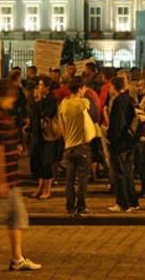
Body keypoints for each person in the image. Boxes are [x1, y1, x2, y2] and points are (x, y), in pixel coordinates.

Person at [0, 80, 41, 271]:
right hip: (3, 179)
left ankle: (17, 258)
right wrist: (1, 181)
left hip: (6, 178)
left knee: (17, 217)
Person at [58, 77, 94, 216]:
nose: (86, 91)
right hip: (82, 145)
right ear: (79, 89)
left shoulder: (64, 103)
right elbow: (90, 111)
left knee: (69, 179)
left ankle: (69, 207)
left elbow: (61, 124)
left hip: (69, 145)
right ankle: (81, 206)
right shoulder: (83, 102)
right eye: (84, 88)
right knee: (82, 179)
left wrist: (66, 138)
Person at [107, 76, 139, 212]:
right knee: (128, 173)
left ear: (114, 86)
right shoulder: (129, 99)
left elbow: (118, 123)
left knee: (119, 173)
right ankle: (132, 201)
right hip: (129, 141)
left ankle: (122, 203)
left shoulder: (118, 101)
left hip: (120, 143)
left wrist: (111, 138)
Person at [28, 76, 58, 199]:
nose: (39, 88)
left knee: (47, 162)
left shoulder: (50, 100)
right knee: (39, 161)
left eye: (41, 85)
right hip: (38, 134)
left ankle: (47, 189)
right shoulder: (40, 99)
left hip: (48, 135)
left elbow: (46, 114)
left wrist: (39, 101)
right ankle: (40, 187)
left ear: (47, 87)